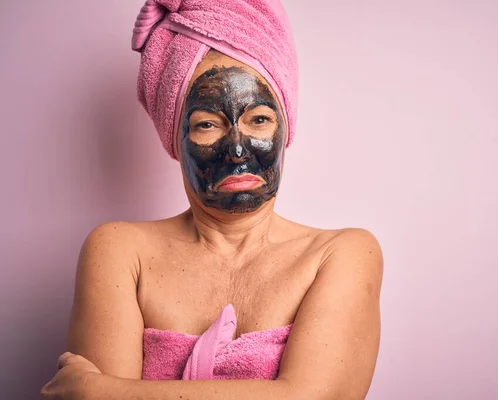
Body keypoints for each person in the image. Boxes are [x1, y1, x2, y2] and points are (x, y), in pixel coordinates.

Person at [41, 1, 383, 399]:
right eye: (207, 124)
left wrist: (101, 391)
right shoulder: (119, 250)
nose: (237, 151)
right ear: (175, 137)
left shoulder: (341, 253)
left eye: (259, 119)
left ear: (285, 128)